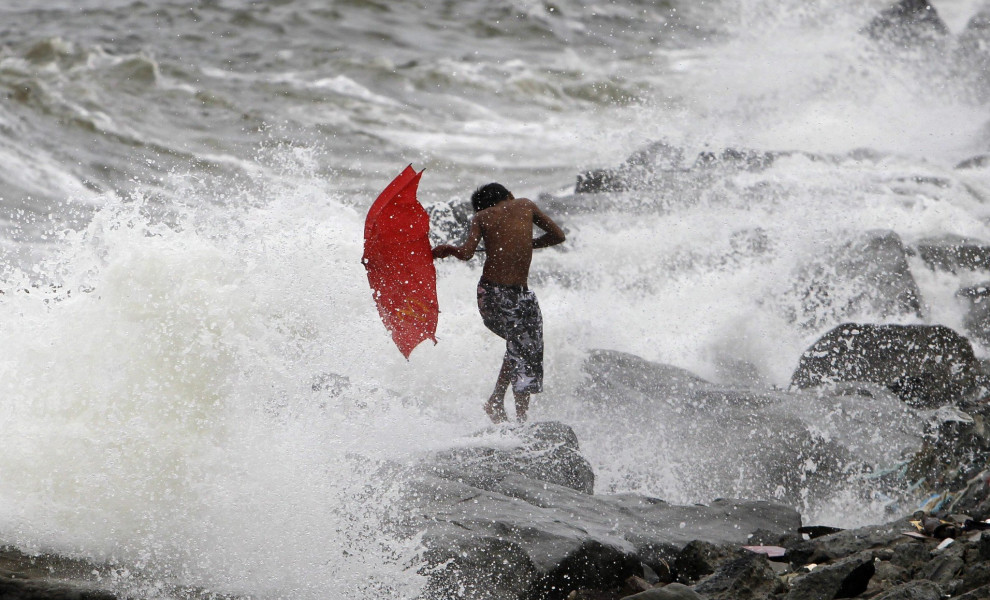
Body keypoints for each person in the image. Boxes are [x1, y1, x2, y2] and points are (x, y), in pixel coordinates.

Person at [432, 183, 566, 423]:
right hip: (508, 296)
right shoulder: (525, 204)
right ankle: (520, 420)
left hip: (495, 293)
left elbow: (466, 254)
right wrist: (530, 243)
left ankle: (496, 402)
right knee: (523, 348)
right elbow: (558, 236)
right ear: (509, 196)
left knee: (520, 346)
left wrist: (448, 249)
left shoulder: (481, 217)